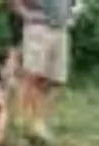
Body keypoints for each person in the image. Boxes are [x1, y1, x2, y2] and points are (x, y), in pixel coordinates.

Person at [13, 0, 74, 138]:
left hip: (61, 28)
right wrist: (25, 14)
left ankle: (39, 120)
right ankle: (26, 119)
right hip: (38, 26)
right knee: (34, 75)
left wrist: (71, 15)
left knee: (55, 80)